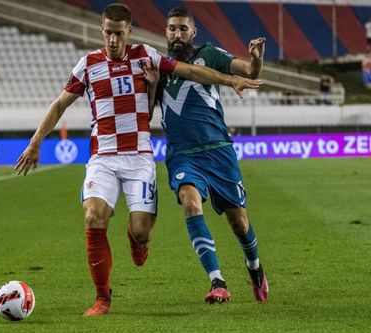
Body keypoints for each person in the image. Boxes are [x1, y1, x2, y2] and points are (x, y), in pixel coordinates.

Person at [14, 3, 261, 316]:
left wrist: (230, 80)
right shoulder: (87, 64)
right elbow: (59, 104)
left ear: (129, 31)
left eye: (118, 34)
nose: (113, 40)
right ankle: (102, 298)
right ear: (102, 31)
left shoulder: (146, 55)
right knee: (93, 216)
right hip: (102, 157)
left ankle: (137, 240)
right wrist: (35, 143)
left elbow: (192, 71)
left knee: (142, 231)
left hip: (139, 158)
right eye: (107, 33)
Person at [149, 6, 268, 304]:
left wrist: (256, 59)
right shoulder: (157, 68)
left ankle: (254, 266)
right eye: (172, 28)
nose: (177, 34)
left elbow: (250, 73)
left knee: (239, 222)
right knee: (190, 202)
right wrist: (151, 85)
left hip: (218, 151)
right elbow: (147, 111)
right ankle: (217, 280)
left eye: (183, 29)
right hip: (182, 154)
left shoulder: (210, 55)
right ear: (166, 32)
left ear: (194, 32)